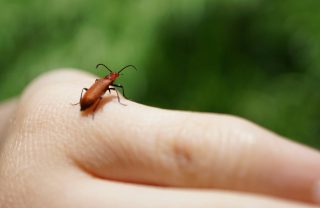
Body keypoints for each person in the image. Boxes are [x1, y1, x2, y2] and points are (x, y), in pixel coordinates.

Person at [0, 69, 319, 208]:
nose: (112, 82)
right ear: (110, 81)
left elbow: (95, 94)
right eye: (112, 79)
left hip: (80, 103)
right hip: (84, 104)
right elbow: (97, 96)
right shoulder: (104, 89)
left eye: (111, 80)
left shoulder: (101, 86)